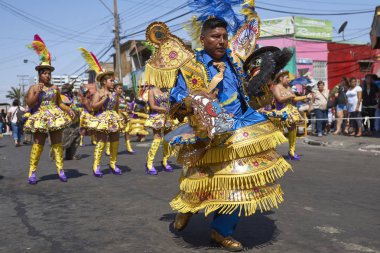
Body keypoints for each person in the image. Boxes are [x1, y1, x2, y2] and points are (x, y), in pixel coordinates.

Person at [145, 17, 292, 251]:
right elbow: (177, 100)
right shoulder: (191, 67)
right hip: (208, 131)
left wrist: (262, 81)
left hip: (239, 126)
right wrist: (195, 102)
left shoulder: (233, 61)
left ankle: (221, 231)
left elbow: (246, 93)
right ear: (203, 39)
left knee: (238, 181)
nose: (221, 41)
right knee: (201, 179)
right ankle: (187, 208)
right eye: (215, 37)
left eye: (224, 36)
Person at [24, 34, 74, 184]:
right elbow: (30, 103)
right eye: (44, 73)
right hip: (40, 116)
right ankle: (32, 172)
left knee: (57, 144)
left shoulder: (55, 88)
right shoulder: (34, 87)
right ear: (39, 75)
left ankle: (60, 170)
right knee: (38, 144)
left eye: (49, 73)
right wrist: (38, 92)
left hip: (55, 116)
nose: (47, 75)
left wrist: (68, 109)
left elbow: (60, 103)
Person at [272, 70, 309, 160]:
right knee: (277, 133)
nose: (288, 79)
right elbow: (280, 99)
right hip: (280, 113)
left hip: (290, 111)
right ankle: (271, 151)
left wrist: (305, 97)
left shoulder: (288, 87)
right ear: (281, 78)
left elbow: (294, 98)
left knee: (293, 130)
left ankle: (292, 150)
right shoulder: (276, 87)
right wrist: (289, 96)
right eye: (286, 77)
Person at [144, 86, 174, 175]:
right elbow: (153, 106)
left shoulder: (169, 90)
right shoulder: (151, 91)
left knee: (168, 139)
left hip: (168, 117)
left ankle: (165, 160)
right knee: (157, 138)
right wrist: (166, 109)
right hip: (157, 117)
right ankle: (149, 163)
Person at [115, 82, 135, 154]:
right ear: (115, 89)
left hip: (124, 116)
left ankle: (129, 147)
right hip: (117, 116)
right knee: (115, 133)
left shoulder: (123, 97)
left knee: (127, 132)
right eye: (119, 88)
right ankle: (109, 149)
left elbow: (126, 105)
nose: (121, 90)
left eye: (121, 88)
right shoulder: (113, 97)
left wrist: (129, 109)